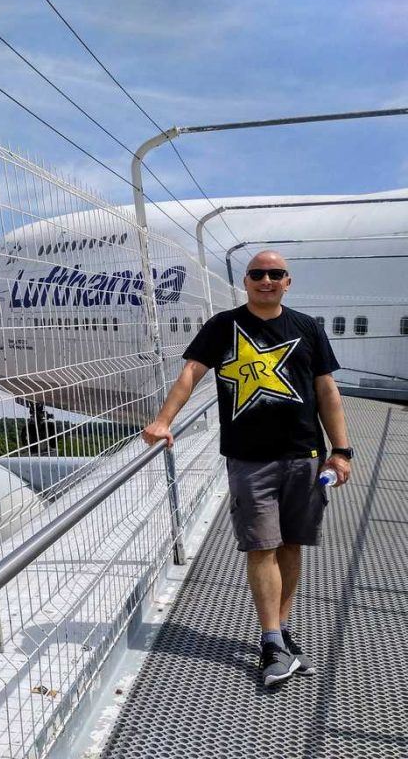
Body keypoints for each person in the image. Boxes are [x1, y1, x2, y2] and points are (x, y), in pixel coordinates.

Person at [142, 250, 352, 687]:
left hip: (305, 456)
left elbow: (327, 392)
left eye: (275, 273)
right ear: (247, 281)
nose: (266, 280)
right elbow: (191, 374)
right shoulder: (224, 326)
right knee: (261, 547)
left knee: (291, 545)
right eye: (258, 273)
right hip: (249, 459)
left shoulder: (307, 329)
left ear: (287, 281)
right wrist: (163, 420)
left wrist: (342, 450)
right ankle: (271, 638)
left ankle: (279, 632)